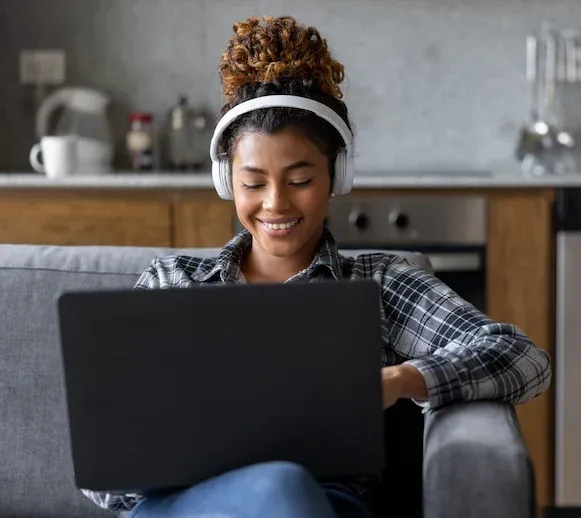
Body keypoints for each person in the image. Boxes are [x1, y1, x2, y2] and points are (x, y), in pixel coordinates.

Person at [80, 14, 551, 518]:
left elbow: (521, 357)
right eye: (253, 182)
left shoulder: (379, 283)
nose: (275, 204)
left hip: (315, 503)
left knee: (282, 487)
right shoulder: (169, 284)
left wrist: (399, 381)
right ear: (227, 182)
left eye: (299, 179)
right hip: (182, 504)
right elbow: (108, 486)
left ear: (336, 176)